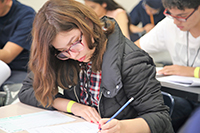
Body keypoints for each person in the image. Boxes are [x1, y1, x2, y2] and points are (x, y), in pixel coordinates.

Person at [18, 0, 174, 132]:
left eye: (75, 42)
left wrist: (121, 127)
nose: (74, 54)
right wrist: (73, 106)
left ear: (87, 22)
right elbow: (27, 91)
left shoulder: (130, 60)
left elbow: (160, 118)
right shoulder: (60, 55)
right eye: (63, 51)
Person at [134, 0, 200, 132]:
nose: (176, 21)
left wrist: (193, 71)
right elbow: (134, 49)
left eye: (182, 15)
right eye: (170, 14)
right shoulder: (169, 24)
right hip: (182, 96)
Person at [0, 0, 35, 91]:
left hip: (18, 69)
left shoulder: (27, 16)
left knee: (19, 91)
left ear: (7, 1)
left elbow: (8, 55)